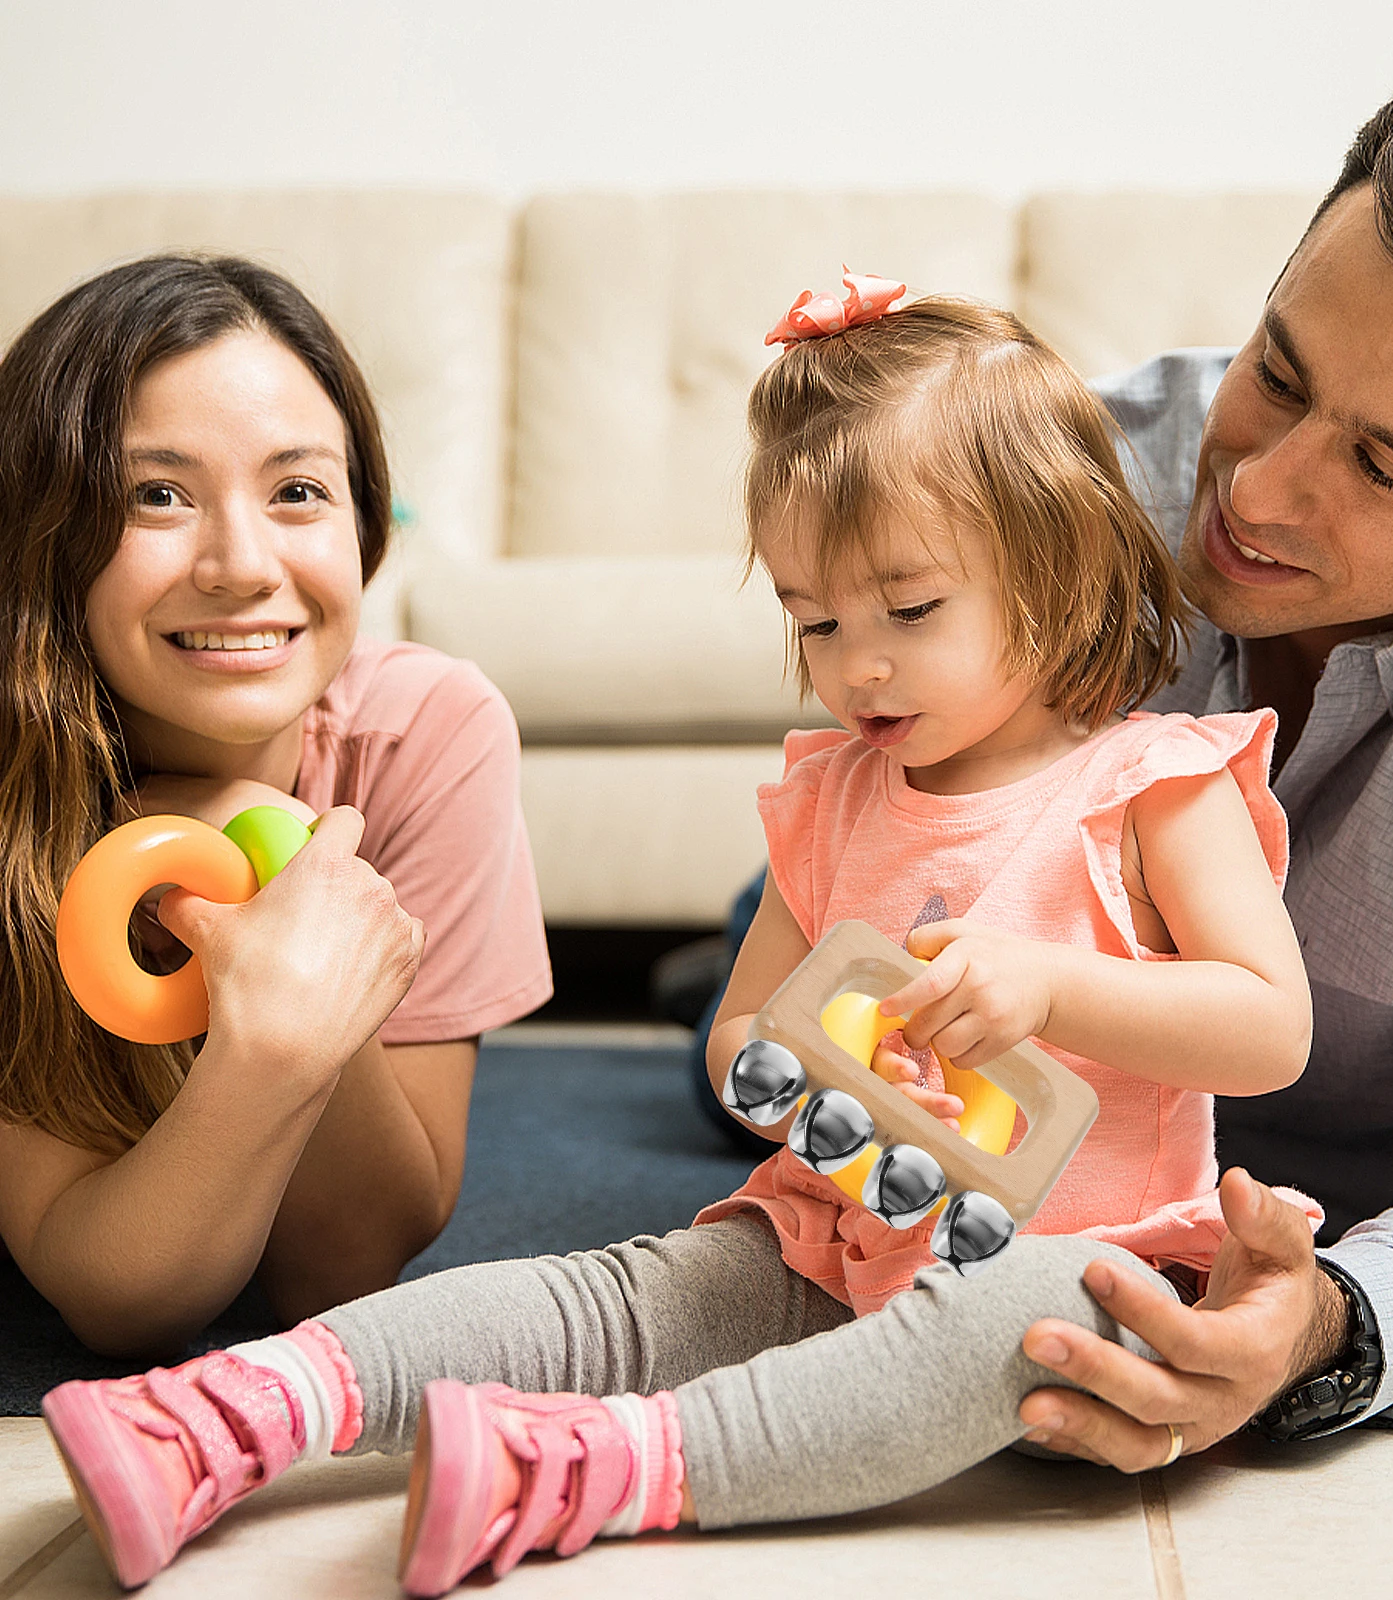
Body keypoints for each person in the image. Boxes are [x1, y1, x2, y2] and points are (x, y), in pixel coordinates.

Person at [42, 280, 1319, 1595]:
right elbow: (741, 1036)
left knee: (1033, 1317)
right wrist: (800, 1081)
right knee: (631, 1291)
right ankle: (233, 1409)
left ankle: (607, 1464)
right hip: (842, 1235)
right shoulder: (832, 797)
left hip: (1083, 1266)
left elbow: (1270, 1028)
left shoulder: (1157, 783)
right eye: (814, 619)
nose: (855, 665)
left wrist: (1055, 987)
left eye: (908, 613)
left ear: (1054, 571)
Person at [1008, 72, 1393, 1469]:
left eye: (1383, 469)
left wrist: (1325, 1320)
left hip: (1314, 1154)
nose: (1258, 489)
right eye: (1275, 373)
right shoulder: (1048, 484)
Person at [0, 255, 551, 1358]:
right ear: (45, 535)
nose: (243, 565)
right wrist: (269, 1042)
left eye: (298, 490)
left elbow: (343, 1269)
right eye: (155, 494)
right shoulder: (23, 776)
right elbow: (114, 1293)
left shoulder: (427, 730)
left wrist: (283, 885)